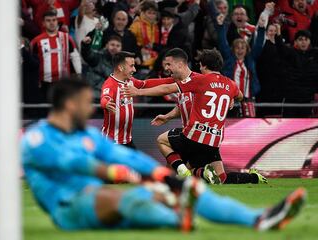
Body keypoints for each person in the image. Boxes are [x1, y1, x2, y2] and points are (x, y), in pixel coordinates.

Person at [21, 78, 306, 232]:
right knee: (129, 197)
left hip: (98, 203)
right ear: (69, 105)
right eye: (85, 104)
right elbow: (77, 163)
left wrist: (163, 176)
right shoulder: (37, 138)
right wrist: (129, 176)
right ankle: (176, 212)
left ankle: (259, 218)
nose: (90, 109)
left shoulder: (86, 134)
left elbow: (126, 157)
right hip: (68, 209)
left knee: (186, 188)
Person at [146, 48, 267, 184]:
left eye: (200, 65)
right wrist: (231, 97)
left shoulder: (201, 80)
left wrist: (138, 93)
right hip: (214, 140)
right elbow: (240, 95)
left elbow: (167, 88)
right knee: (222, 178)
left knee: (162, 142)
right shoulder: (230, 84)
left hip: (195, 135)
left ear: (203, 65)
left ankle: (200, 173)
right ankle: (254, 177)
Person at [100, 51, 177, 147]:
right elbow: (105, 97)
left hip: (127, 140)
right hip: (112, 142)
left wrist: (173, 79)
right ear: (120, 67)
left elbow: (146, 83)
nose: (135, 69)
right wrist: (106, 103)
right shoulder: (110, 84)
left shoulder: (130, 81)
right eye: (131, 66)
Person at [216, 13, 266, 117]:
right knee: (230, 123)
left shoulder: (250, 60)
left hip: (248, 99)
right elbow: (223, 43)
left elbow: (259, 45)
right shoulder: (229, 59)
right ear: (233, 50)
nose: (240, 50)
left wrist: (261, 28)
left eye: (242, 48)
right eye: (237, 48)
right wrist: (220, 26)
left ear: (247, 50)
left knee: (249, 125)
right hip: (230, 98)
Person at [31, 10, 81, 101]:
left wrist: (78, 74)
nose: (52, 23)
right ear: (43, 23)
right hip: (44, 83)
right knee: (46, 109)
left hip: (63, 82)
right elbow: (32, 62)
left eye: (54, 20)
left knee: (62, 109)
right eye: (48, 20)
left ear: (57, 22)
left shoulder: (66, 38)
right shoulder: (36, 41)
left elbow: (75, 57)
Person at [275, 27, 318, 117]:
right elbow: (280, 48)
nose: (303, 42)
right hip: (291, 98)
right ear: (296, 42)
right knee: (288, 125)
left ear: (309, 41)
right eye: (300, 39)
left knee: (304, 127)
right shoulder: (291, 53)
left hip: (307, 99)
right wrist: (278, 32)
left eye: (306, 39)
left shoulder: (315, 54)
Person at [81, 35, 122, 102]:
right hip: (94, 98)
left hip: (110, 101)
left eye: (118, 46)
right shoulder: (98, 57)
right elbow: (88, 54)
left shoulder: (122, 64)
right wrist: (85, 46)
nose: (115, 47)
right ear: (106, 46)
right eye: (112, 45)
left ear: (121, 48)